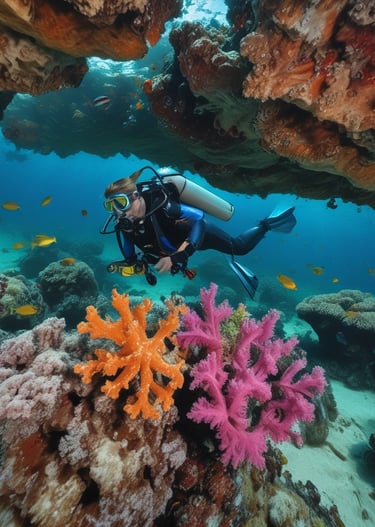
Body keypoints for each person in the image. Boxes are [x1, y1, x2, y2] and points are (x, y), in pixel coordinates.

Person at [101, 166, 296, 295]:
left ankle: (267, 223)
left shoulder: (164, 206)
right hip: (175, 245)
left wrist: (180, 254)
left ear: (136, 196)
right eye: (111, 206)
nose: (118, 212)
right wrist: (132, 264)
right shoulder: (126, 225)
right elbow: (129, 251)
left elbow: (199, 219)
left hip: (198, 234)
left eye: (121, 203)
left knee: (239, 247)